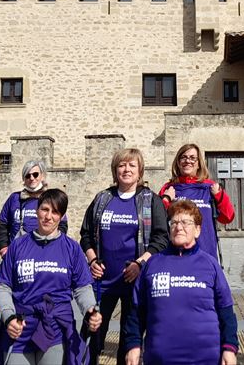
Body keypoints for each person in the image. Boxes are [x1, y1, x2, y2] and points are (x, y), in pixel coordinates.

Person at [79, 148, 169, 365]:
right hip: (103, 282)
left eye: (132, 165)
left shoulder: (151, 200)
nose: (126, 169)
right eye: (122, 165)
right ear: (115, 170)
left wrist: (140, 263)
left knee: (130, 338)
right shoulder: (102, 199)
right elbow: (86, 234)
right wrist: (92, 260)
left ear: (140, 172)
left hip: (135, 281)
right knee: (91, 333)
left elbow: (161, 238)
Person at [0, 189, 103, 365]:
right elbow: (3, 286)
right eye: (45, 209)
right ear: (37, 210)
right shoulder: (18, 245)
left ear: (62, 216)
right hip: (20, 326)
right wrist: (8, 317)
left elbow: (82, 287)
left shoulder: (72, 249)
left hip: (55, 328)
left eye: (55, 212)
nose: (48, 216)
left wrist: (90, 308)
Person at [125, 200, 238, 365]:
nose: (179, 227)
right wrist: (133, 345)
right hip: (160, 358)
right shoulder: (153, 264)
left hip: (206, 358)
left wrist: (229, 348)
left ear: (198, 230)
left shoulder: (210, 264)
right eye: (175, 222)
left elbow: (226, 312)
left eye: (186, 222)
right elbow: (136, 312)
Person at [158, 144, 235, 261]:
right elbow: (157, 221)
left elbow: (228, 217)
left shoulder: (209, 187)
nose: (187, 161)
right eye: (183, 157)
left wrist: (219, 195)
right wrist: (165, 200)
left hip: (206, 254)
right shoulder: (169, 188)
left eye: (192, 158)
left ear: (199, 163)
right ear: (178, 162)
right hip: (175, 255)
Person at [0, 160, 67, 257]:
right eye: (27, 175)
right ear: (24, 179)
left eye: (35, 174)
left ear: (42, 176)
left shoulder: (51, 199)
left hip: (43, 253)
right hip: (16, 253)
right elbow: (2, 225)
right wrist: (3, 248)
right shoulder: (14, 198)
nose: (32, 178)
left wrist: (53, 247)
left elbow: (62, 225)